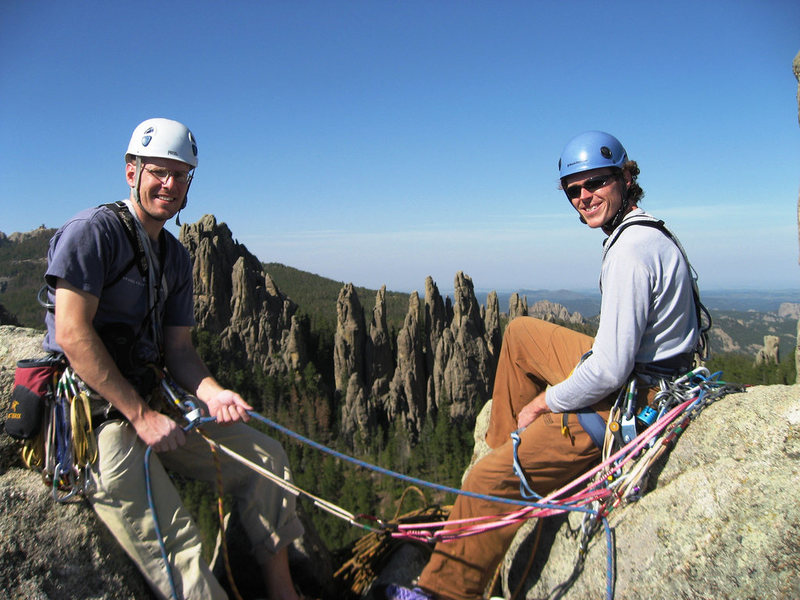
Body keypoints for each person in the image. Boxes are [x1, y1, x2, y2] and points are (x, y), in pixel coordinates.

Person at [386, 131, 704, 600]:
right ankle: (501, 450)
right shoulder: (641, 231)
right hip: (642, 371)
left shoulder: (631, 253)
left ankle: (445, 585)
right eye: (574, 190)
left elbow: (610, 370)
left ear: (624, 177)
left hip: (632, 402)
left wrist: (545, 403)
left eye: (595, 183)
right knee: (518, 335)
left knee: (481, 482)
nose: (584, 197)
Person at [42, 118, 305, 600]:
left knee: (266, 459)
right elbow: (72, 333)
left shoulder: (176, 258)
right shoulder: (92, 234)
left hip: (155, 404)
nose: (169, 184)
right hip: (98, 417)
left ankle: (283, 592)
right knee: (181, 546)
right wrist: (140, 417)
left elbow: (180, 350)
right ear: (131, 172)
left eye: (180, 175)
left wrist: (212, 392)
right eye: (158, 172)